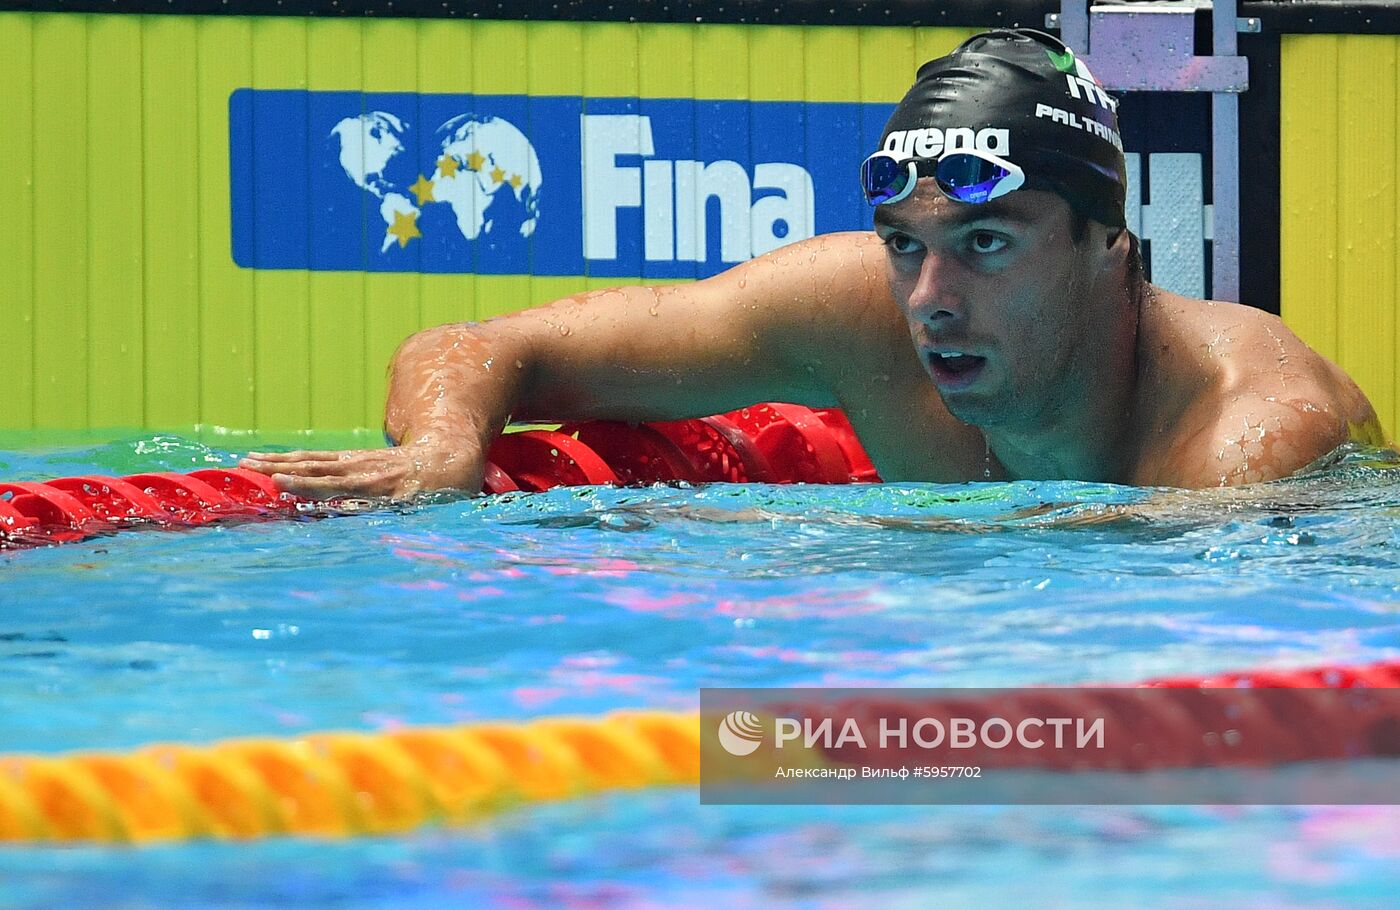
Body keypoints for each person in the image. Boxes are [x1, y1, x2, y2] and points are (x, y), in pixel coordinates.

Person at [241, 28, 1385, 499]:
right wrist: (447, 444)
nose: (930, 302)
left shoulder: (1253, 443)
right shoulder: (858, 312)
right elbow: (479, 348)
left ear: (1108, 251)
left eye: (983, 245)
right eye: (905, 250)